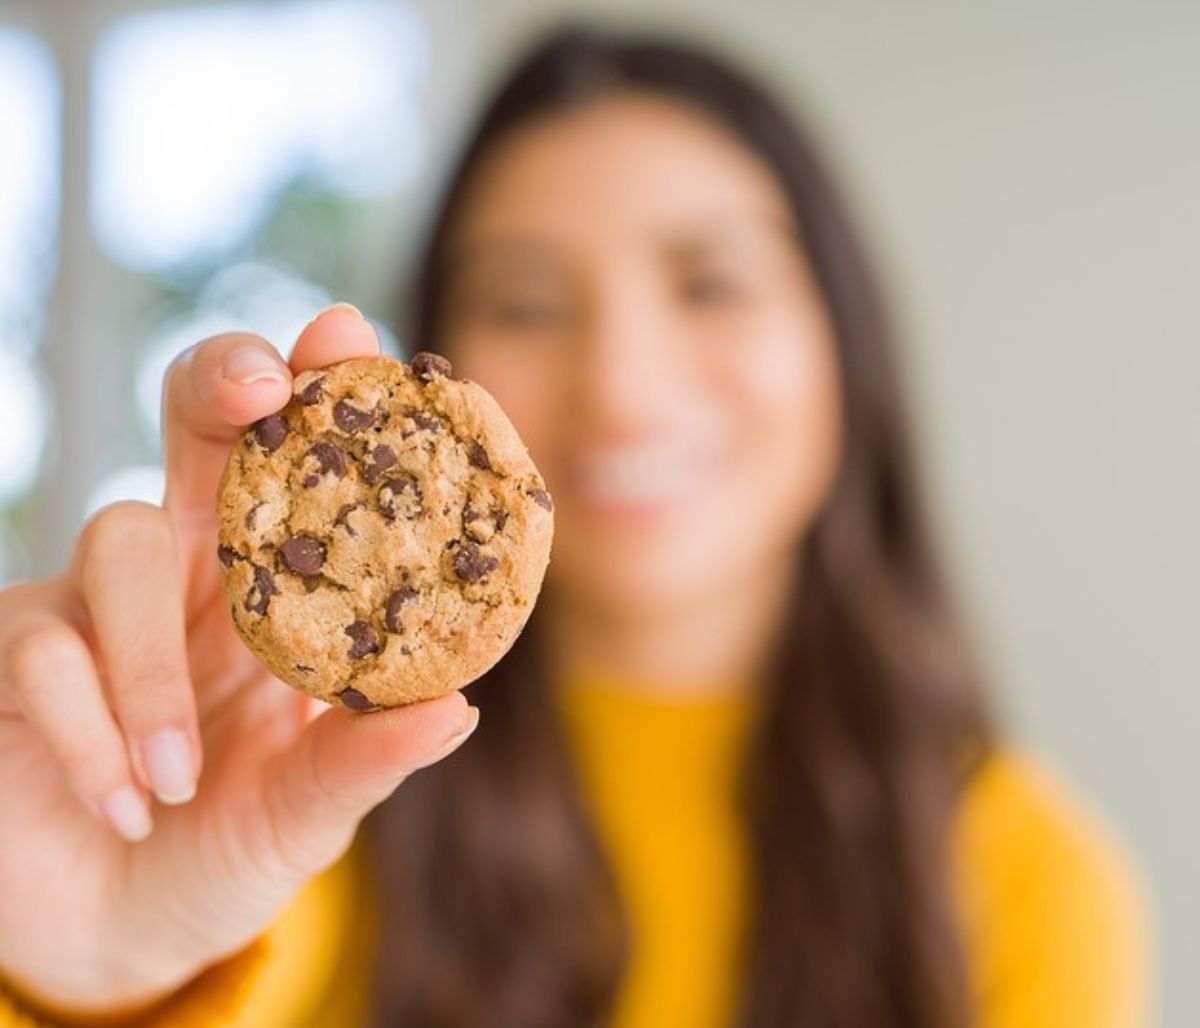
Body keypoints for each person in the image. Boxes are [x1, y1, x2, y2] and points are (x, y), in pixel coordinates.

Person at [0, 26, 1150, 1028]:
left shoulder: (1016, 881)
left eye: (710, 282)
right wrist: (96, 967)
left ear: (843, 337)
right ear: (444, 361)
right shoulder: (298, 813)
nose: (622, 385)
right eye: (528, 303)